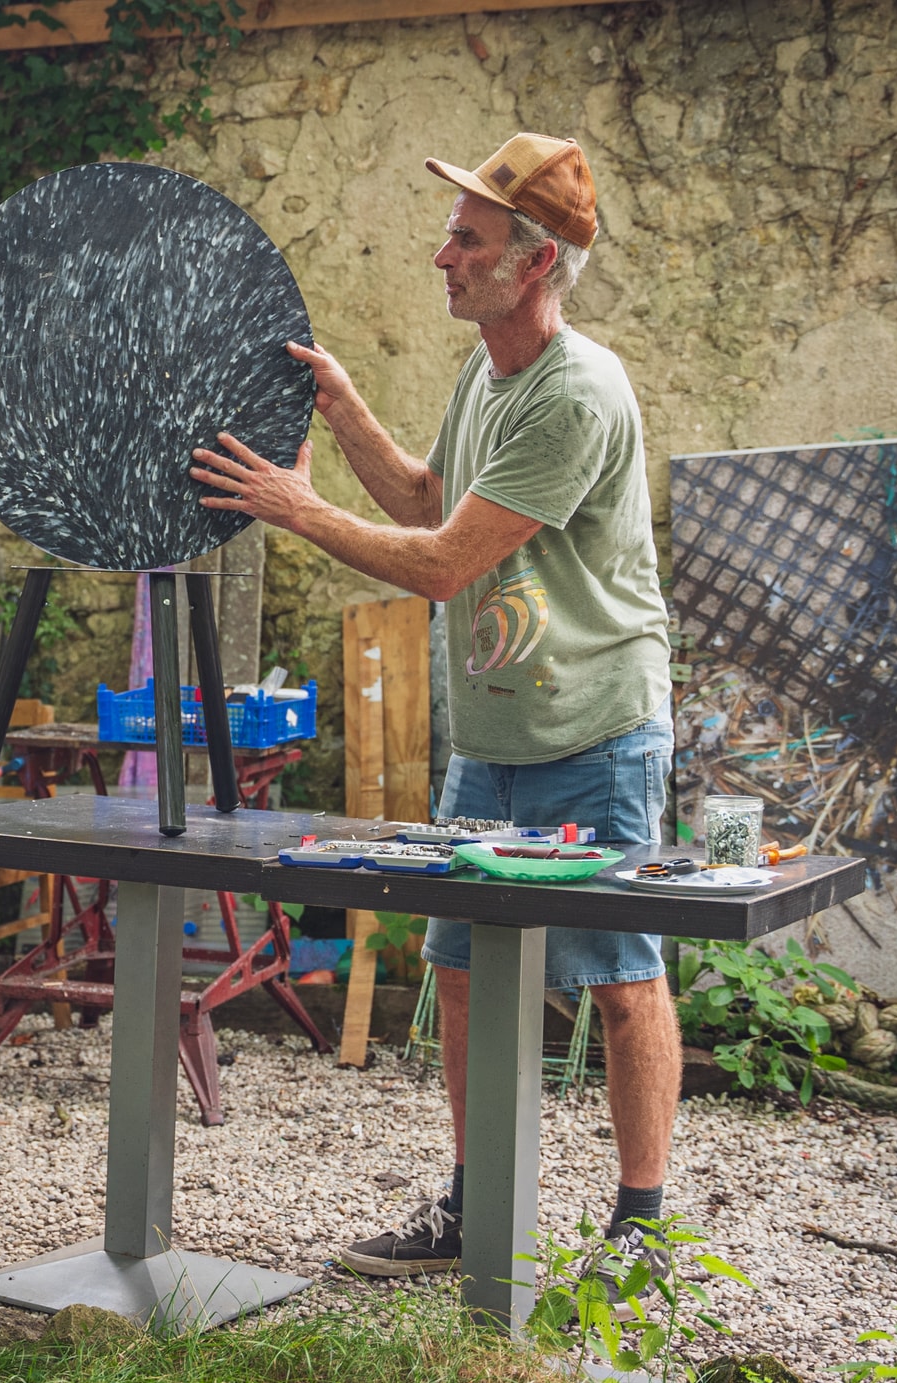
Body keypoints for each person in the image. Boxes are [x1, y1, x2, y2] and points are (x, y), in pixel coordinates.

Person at [191, 132, 676, 1296]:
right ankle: (480, 1203)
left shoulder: (576, 395)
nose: (442, 254)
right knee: (460, 973)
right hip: (497, 739)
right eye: (453, 233)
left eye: (469, 238)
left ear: (535, 262)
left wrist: (294, 509)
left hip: (595, 729)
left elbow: (445, 562)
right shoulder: (487, 373)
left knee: (619, 981)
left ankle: (643, 1227)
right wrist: (346, 407)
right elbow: (423, 495)